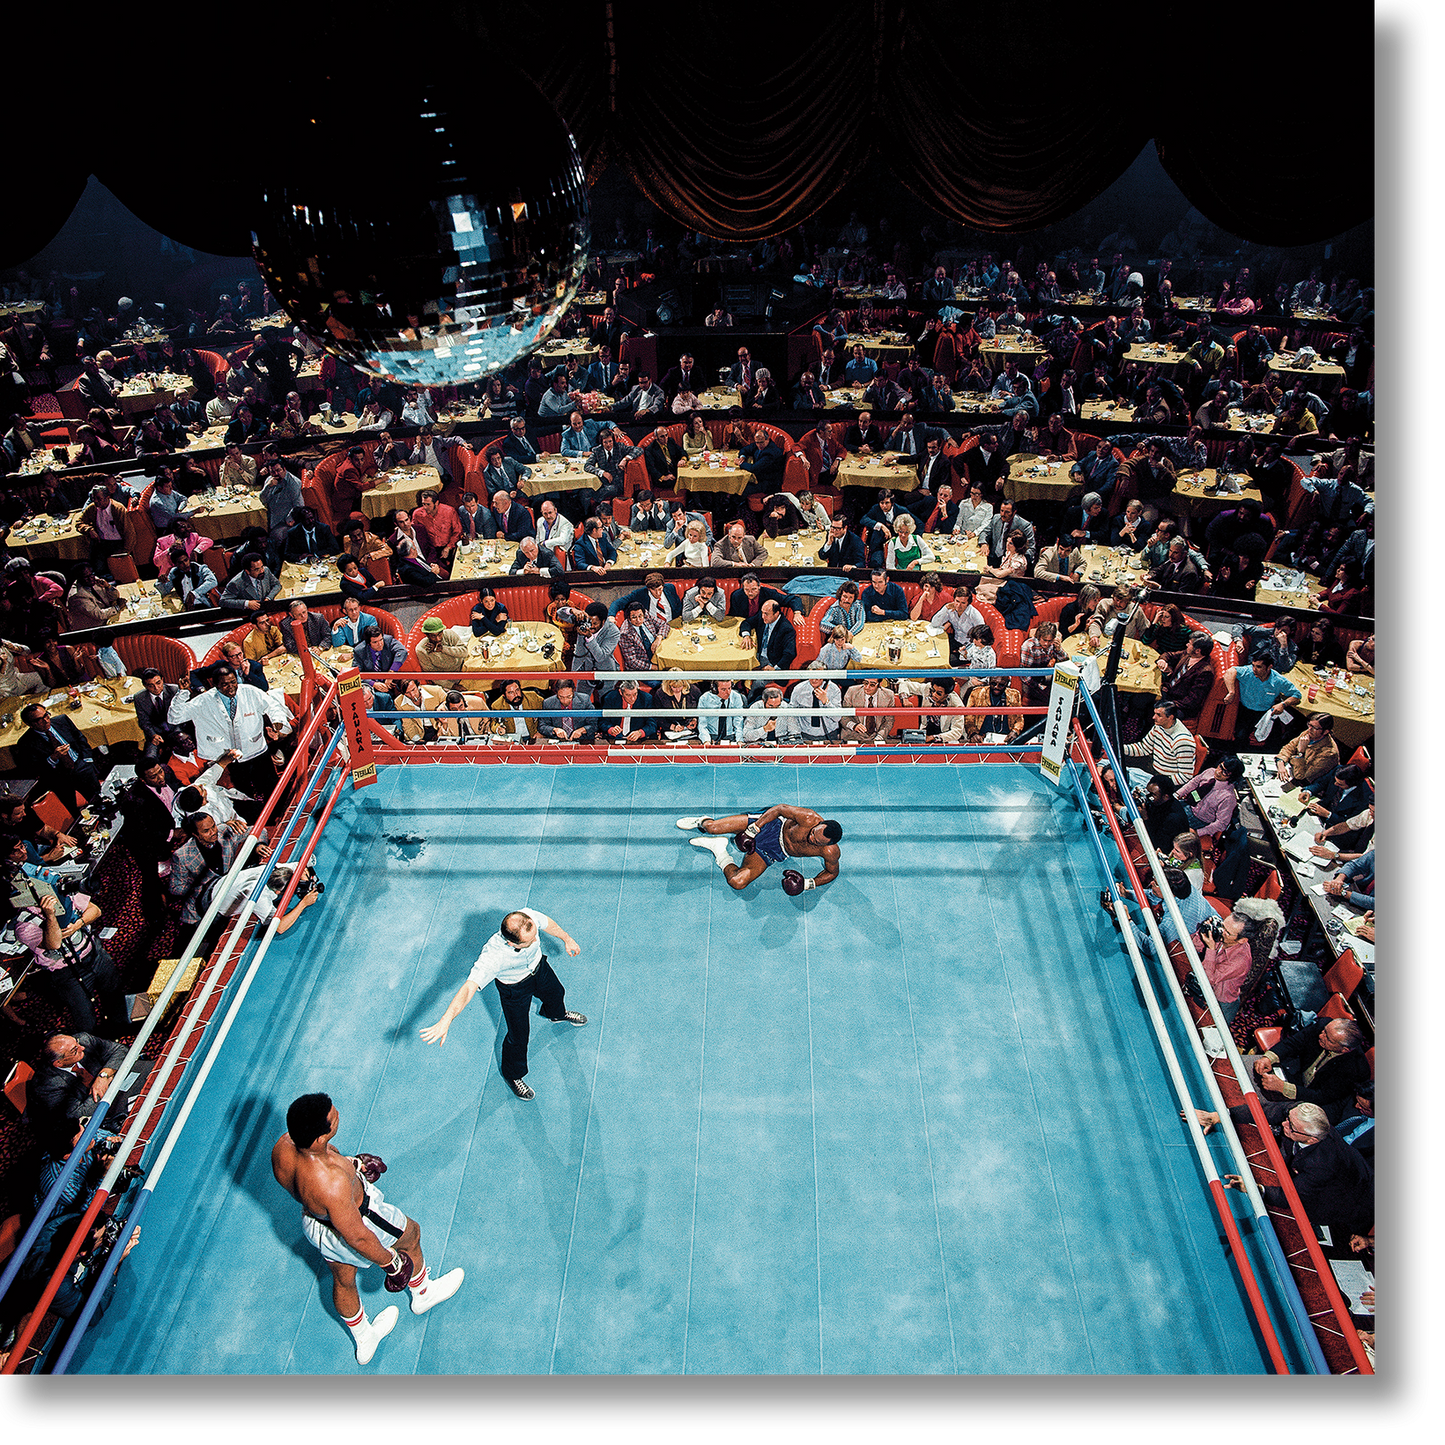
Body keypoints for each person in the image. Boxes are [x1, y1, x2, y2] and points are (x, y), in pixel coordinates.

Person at [272, 1094, 463, 1365]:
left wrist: (355, 1164)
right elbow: (357, 1236)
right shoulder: (331, 1184)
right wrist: (392, 1263)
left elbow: (321, 1164)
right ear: (318, 1137)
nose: (337, 1114)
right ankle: (423, 1294)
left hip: (316, 1224)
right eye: (333, 1116)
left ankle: (364, 1338)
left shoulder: (284, 1146)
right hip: (360, 1218)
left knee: (343, 1279)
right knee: (411, 1235)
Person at [420, 907, 586, 1100]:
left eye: (534, 936)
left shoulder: (527, 918)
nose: (535, 941)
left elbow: (549, 924)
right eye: (529, 941)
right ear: (510, 942)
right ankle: (513, 1075)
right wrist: (446, 1019)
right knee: (518, 1035)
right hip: (514, 989)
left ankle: (555, 1014)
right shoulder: (493, 956)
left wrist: (567, 938)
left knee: (557, 992)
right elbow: (468, 988)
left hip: (539, 969)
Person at [169, 662, 293, 800]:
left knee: (271, 786)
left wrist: (278, 720)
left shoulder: (249, 692)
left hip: (257, 751)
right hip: (230, 758)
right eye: (224, 684)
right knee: (243, 792)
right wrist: (183, 693)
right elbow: (175, 717)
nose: (230, 687)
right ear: (215, 685)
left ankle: (281, 813)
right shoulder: (204, 701)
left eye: (233, 682)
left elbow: (272, 705)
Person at [679, 805, 843, 894]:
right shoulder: (808, 817)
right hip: (771, 826)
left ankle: (719, 850)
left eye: (817, 842)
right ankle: (701, 821)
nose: (811, 838)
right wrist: (752, 830)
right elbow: (779, 809)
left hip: (775, 850)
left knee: (738, 882)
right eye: (814, 833)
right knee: (713, 828)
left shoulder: (830, 852)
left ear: (826, 844)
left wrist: (807, 884)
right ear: (819, 824)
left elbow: (832, 872)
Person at [25, 1032, 129, 1150]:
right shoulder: (47, 1086)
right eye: (75, 1050)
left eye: (77, 1043)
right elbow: (80, 1113)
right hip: (89, 1119)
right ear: (59, 1063)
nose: (82, 1047)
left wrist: (104, 1076)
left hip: (112, 1089)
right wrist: (109, 1082)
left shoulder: (83, 1040)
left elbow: (120, 1050)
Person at [15, 703, 102, 803]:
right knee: (73, 810)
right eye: (39, 719)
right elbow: (34, 769)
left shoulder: (62, 720)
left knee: (99, 799)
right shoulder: (26, 743)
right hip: (60, 779)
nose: (46, 720)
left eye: (46, 715)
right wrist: (53, 758)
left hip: (81, 766)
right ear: (30, 724)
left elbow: (80, 738)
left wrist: (87, 760)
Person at [1224, 648, 1302, 744]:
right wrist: (1231, 692)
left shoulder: (1278, 680)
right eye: (1253, 665)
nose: (1254, 669)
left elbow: (1297, 695)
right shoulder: (1248, 672)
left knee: (1275, 740)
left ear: (1269, 667)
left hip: (1264, 713)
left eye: (1259, 667)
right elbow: (1230, 672)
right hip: (1244, 711)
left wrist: (1283, 704)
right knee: (1240, 737)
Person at [1120, 702, 1196, 787]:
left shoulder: (1182, 741)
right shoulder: (1159, 726)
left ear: (1170, 717)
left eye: (1158, 715)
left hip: (1168, 784)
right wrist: (1119, 748)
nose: (1153, 717)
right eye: (1154, 713)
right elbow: (1144, 748)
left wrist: (1158, 784)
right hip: (1154, 773)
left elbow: (1185, 776)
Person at [1177, 756, 1244, 843]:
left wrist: (1198, 832)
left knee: (1171, 824)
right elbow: (1193, 782)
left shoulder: (1228, 797)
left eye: (1225, 773)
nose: (1218, 772)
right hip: (1189, 804)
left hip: (1199, 819)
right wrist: (1177, 794)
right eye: (1220, 767)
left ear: (1231, 777)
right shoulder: (1210, 772)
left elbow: (1221, 824)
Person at [1276, 712, 1340, 789]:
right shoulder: (1309, 733)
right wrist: (1280, 764)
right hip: (1293, 771)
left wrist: (1300, 753)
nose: (1309, 729)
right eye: (1309, 725)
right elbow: (1289, 748)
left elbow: (1301, 776)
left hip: (1307, 785)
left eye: (1315, 728)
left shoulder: (1329, 753)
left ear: (1326, 731)